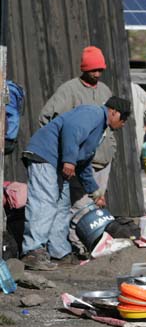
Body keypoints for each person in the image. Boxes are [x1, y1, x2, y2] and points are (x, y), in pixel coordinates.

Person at [20, 97, 131, 271]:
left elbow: (84, 163)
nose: (123, 123)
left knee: (62, 206)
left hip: (58, 162)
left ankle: (59, 252)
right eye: (123, 118)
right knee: (45, 202)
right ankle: (33, 251)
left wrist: (95, 193)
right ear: (114, 112)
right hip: (45, 155)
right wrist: (69, 161)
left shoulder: (100, 129)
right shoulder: (93, 113)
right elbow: (71, 130)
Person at [39, 46, 114, 255]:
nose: (97, 74)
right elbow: (46, 117)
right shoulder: (69, 90)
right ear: (84, 69)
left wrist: (111, 145)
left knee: (95, 206)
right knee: (76, 206)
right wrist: (64, 150)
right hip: (77, 162)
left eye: (100, 70)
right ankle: (75, 247)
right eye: (93, 70)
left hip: (101, 159)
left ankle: (93, 245)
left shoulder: (104, 91)